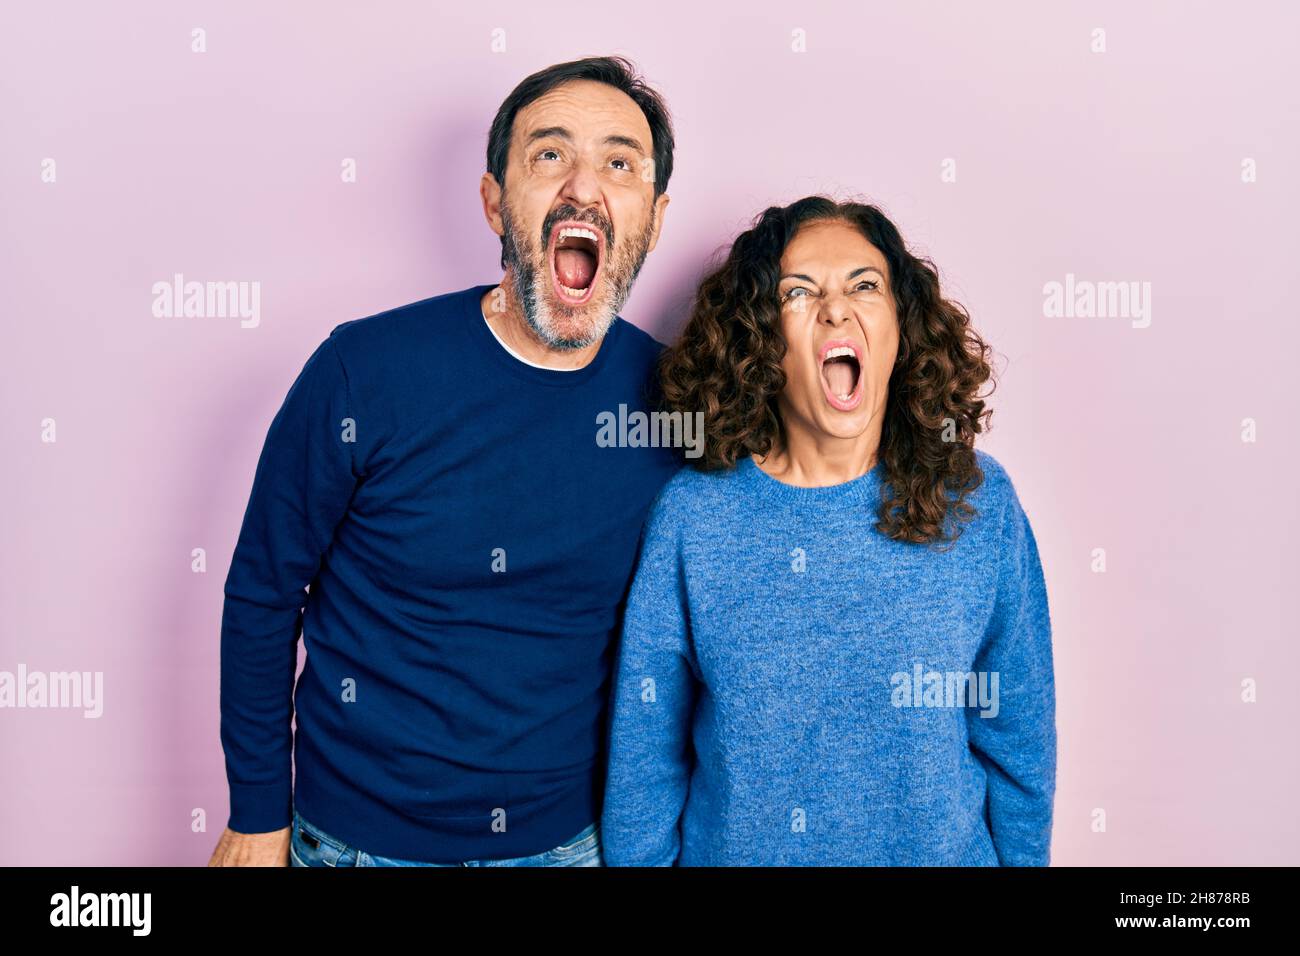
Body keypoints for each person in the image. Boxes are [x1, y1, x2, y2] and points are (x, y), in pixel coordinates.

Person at [208, 56, 680, 867]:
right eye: (549, 155)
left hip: (567, 847)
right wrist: (256, 814)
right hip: (351, 845)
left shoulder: (678, 409)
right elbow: (263, 590)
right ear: (496, 202)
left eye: (619, 163)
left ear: (655, 216)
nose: (583, 186)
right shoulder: (364, 371)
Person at [600, 196, 1057, 865]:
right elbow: (646, 757)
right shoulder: (694, 518)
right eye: (799, 292)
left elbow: (1020, 742)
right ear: (761, 342)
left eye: (864, 286)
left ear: (901, 330)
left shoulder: (978, 504)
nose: (835, 308)